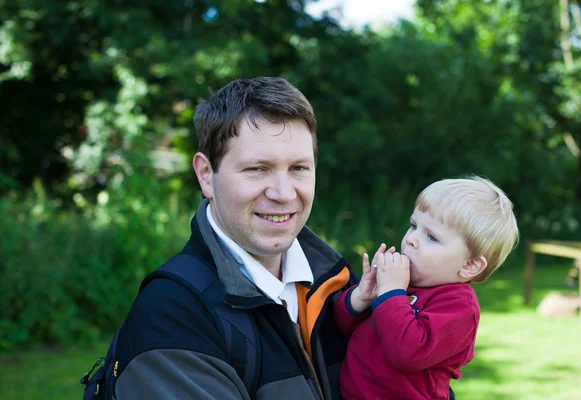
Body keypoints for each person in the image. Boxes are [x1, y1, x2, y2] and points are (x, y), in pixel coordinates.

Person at [110, 77, 358, 399]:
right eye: (257, 169)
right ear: (206, 176)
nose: (283, 193)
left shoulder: (339, 283)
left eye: (298, 168)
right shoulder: (171, 317)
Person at [334, 176, 519, 400]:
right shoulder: (400, 283)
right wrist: (362, 296)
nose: (411, 239)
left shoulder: (458, 308)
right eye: (413, 226)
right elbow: (339, 327)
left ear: (469, 265)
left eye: (431, 237)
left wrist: (392, 294)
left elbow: (407, 353)